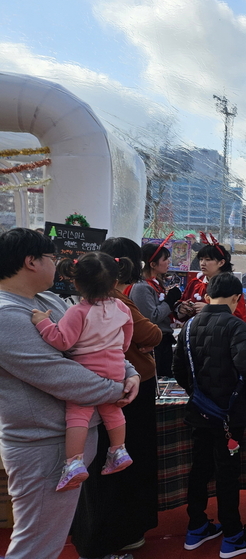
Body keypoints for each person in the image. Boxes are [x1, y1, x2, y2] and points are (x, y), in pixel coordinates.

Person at [0, 228, 139, 559]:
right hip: (43, 446)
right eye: (53, 257)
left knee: (47, 538)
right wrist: (119, 387)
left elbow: (97, 344)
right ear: (31, 262)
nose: (58, 266)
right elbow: (62, 376)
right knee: (38, 544)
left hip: (63, 440)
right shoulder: (6, 314)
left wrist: (130, 372)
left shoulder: (45, 300)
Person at [71, 236, 162, 559]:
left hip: (94, 390)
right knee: (118, 462)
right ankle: (110, 537)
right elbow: (148, 335)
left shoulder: (76, 307)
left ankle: (100, 535)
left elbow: (64, 343)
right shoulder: (118, 301)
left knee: (98, 462)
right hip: (123, 391)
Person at [173, 272, 246, 557]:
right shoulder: (235, 326)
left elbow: (180, 370)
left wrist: (198, 394)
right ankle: (233, 535)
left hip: (199, 412)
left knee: (199, 469)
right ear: (237, 298)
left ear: (207, 296)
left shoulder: (189, 326)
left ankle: (197, 526)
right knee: (227, 474)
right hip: (229, 414)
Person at [31, 253, 135, 491]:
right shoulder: (121, 306)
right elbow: (127, 337)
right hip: (116, 365)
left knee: (78, 413)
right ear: (114, 282)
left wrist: (42, 322)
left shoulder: (78, 312)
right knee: (112, 409)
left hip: (87, 369)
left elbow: (62, 341)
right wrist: (119, 353)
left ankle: (74, 463)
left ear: (76, 283)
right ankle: (118, 449)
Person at [130, 241, 181, 377]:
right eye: (165, 259)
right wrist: (170, 302)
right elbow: (151, 317)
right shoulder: (142, 287)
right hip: (153, 344)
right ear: (152, 264)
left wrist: (179, 308)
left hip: (163, 341)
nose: (169, 262)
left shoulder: (156, 284)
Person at [179, 240, 246, 322]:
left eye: (208, 259)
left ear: (221, 262)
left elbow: (239, 318)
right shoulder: (195, 283)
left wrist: (209, 310)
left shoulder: (231, 286)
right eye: (201, 259)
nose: (202, 263)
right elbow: (181, 314)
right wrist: (182, 309)